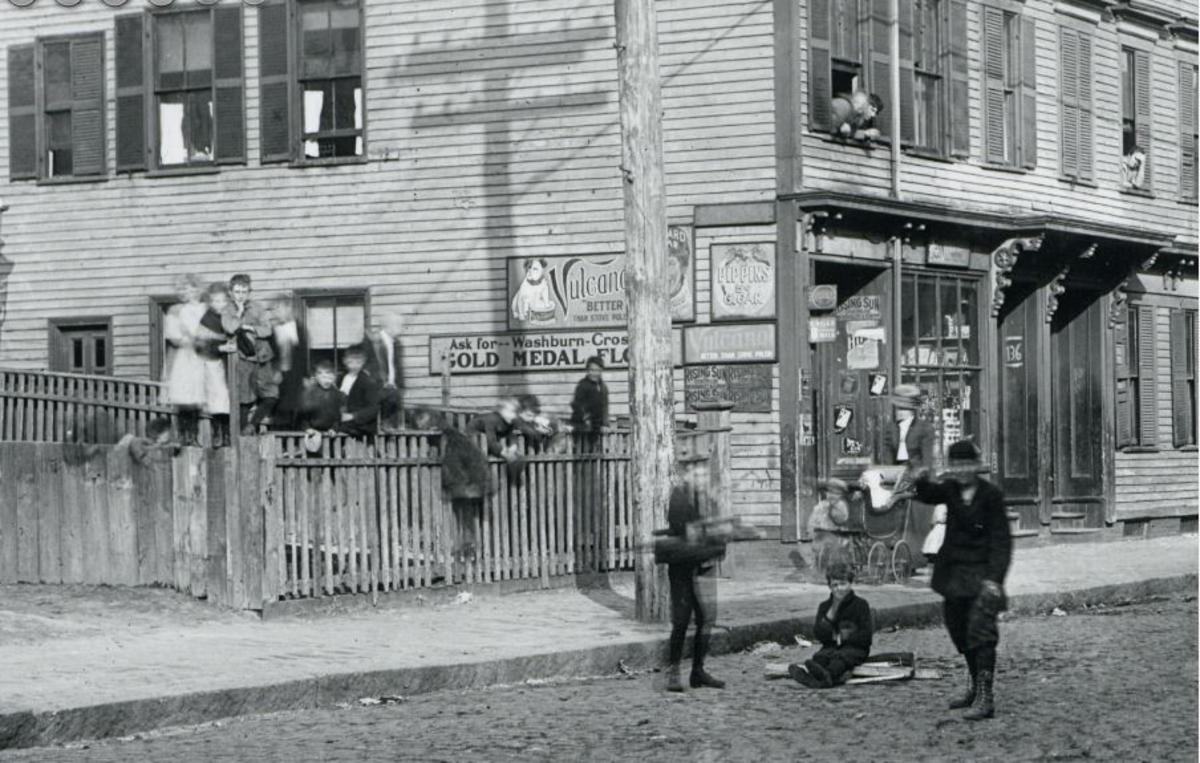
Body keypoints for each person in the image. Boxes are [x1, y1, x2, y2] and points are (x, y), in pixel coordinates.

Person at [913, 440, 1012, 721]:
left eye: (968, 464)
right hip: (954, 576)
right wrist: (920, 478)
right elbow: (928, 494)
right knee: (959, 630)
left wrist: (994, 580)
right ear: (951, 467)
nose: (963, 470)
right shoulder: (951, 489)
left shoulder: (991, 495)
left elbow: (1001, 541)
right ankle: (974, 686)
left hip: (981, 575)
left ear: (976, 466)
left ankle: (985, 697)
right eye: (957, 465)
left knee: (982, 633)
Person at [660, 483, 726, 692]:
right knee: (681, 620)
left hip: (701, 564)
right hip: (682, 565)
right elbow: (679, 525)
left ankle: (698, 671)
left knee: (705, 619)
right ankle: (673, 673)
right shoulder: (680, 494)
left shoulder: (707, 494)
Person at [788, 561, 872, 688]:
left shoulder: (860, 605)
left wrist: (845, 637)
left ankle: (827, 677)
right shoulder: (825, 606)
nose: (839, 589)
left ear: (850, 584)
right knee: (820, 657)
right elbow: (819, 634)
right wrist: (832, 611)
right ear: (830, 587)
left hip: (855, 649)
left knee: (840, 660)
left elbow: (866, 636)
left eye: (843, 584)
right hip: (831, 648)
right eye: (835, 585)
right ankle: (814, 678)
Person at [163, 274, 224, 447]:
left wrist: (207, 339)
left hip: (205, 356)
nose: (189, 293)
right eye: (185, 289)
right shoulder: (176, 310)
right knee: (186, 398)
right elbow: (173, 336)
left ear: (199, 290)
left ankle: (212, 436)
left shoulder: (206, 308)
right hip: (186, 357)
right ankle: (186, 436)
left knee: (207, 395)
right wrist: (190, 339)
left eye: (192, 289)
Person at [225, 274, 274, 434]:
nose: (241, 296)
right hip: (243, 360)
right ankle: (242, 435)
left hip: (263, 357)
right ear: (231, 293)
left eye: (244, 292)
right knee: (245, 399)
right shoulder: (227, 310)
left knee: (271, 395)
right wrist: (239, 313)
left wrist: (251, 328)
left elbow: (268, 330)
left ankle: (252, 425)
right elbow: (230, 328)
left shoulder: (257, 308)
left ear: (249, 292)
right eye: (237, 292)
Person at [198, 283, 234, 447]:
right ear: (210, 303)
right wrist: (220, 348)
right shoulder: (206, 320)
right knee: (218, 399)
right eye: (216, 301)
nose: (220, 305)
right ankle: (218, 434)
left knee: (230, 398)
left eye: (223, 301)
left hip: (230, 365)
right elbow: (201, 346)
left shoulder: (230, 316)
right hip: (213, 363)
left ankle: (228, 434)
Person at [370, 312, 406, 432]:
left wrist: (400, 384)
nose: (401, 329)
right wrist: (382, 381)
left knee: (395, 403)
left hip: (392, 386)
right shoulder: (375, 342)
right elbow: (371, 366)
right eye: (399, 325)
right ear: (389, 326)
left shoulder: (397, 343)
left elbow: (398, 366)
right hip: (378, 385)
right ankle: (384, 425)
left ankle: (392, 428)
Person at [337, 344, 381, 438]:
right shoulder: (340, 378)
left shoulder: (368, 382)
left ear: (363, 362)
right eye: (351, 362)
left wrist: (353, 416)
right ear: (344, 361)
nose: (354, 366)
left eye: (358, 362)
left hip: (361, 425)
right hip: (343, 419)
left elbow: (374, 408)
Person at [569, 356, 609, 446]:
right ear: (587, 370)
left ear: (601, 371)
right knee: (583, 448)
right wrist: (585, 418)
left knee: (596, 449)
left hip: (597, 427)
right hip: (582, 426)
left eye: (597, 370)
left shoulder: (603, 387)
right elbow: (576, 404)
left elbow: (605, 406)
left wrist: (605, 424)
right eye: (591, 370)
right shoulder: (582, 385)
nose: (594, 373)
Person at [299, 360, 344, 434]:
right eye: (322, 376)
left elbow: (339, 417)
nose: (326, 380)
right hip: (311, 432)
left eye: (329, 376)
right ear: (316, 377)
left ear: (334, 377)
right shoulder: (308, 393)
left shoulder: (339, 395)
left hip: (331, 434)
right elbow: (302, 416)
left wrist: (334, 429)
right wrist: (307, 428)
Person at [510, 258, 557, 323]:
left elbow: (545, 294)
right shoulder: (525, 285)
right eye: (529, 268)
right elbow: (520, 300)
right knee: (519, 299)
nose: (530, 271)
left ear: (541, 270)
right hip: (521, 305)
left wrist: (546, 303)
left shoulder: (543, 283)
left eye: (535, 269)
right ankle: (519, 312)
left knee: (541, 303)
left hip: (534, 303)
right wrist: (521, 314)